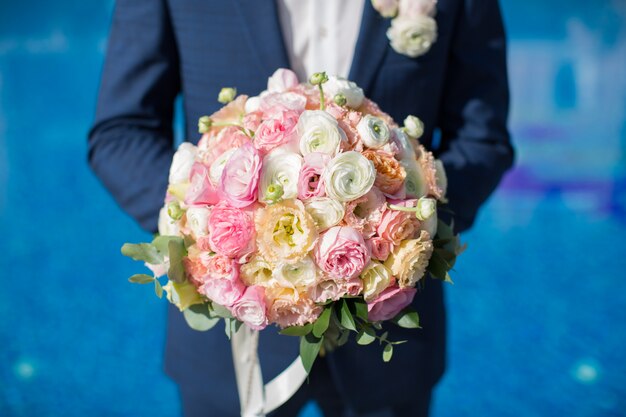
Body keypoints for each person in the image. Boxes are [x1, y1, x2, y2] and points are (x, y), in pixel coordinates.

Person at [88, 0, 514, 416]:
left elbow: (482, 139)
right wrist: (209, 231)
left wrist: (399, 226)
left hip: (389, 345)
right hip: (228, 351)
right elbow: (122, 132)